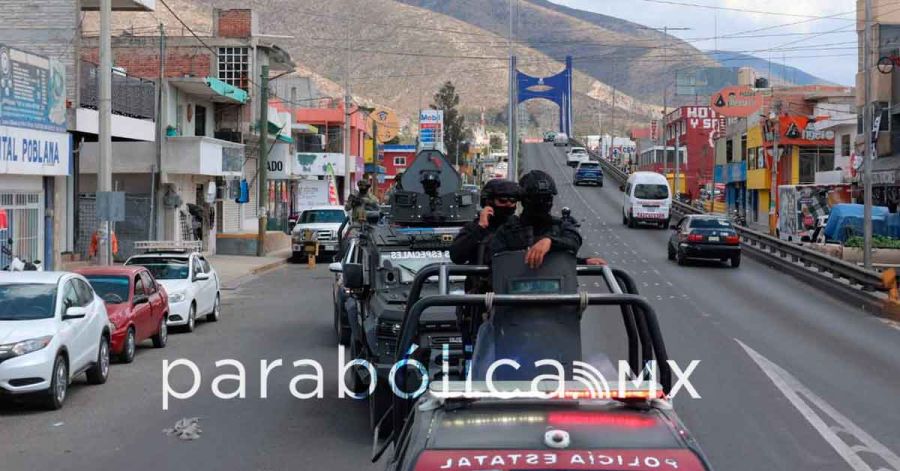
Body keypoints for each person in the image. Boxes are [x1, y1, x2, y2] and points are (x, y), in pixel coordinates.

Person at [489, 170, 582, 269]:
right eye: (537, 199)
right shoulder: (508, 230)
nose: (542, 203)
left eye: (546, 199)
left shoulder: (559, 226)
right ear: (525, 200)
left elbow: (573, 241)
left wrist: (550, 242)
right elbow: (496, 262)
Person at [450, 178, 520, 265]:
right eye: (503, 200)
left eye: (513, 200)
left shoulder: (518, 225)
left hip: (510, 276)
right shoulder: (475, 227)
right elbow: (456, 256)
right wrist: (480, 228)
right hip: (483, 277)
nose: (508, 204)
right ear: (489, 201)